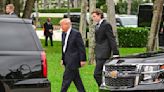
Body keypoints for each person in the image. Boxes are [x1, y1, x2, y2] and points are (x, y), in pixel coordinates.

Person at [91, 9, 119, 87]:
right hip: (99, 53)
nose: (93, 18)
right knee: (104, 73)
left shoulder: (106, 25)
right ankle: (106, 86)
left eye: (94, 16)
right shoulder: (97, 25)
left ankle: (103, 87)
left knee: (97, 74)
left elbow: (111, 39)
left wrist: (115, 53)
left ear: (100, 15)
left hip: (104, 53)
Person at [60, 18, 86, 92]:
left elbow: (81, 47)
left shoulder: (76, 34)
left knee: (66, 79)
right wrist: (62, 58)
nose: (61, 27)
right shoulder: (63, 34)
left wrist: (83, 59)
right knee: (77, 80)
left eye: (62, 25)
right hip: (67, 59)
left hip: (73, 60)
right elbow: (64, 47)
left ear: (67, 24)